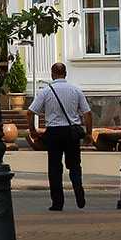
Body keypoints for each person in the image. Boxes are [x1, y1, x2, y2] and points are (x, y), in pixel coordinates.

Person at [28, 61, 93, 211]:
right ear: (65, 74)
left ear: (52, 74)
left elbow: (30, 112)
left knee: (55, 168)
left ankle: (57, 203)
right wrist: (88, 133)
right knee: (74, 165)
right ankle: (78, 191)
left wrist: (32, 131)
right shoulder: (75, 90)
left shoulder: (46, 91)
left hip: (54, 133)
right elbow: (87, 113)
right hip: (72, 132)